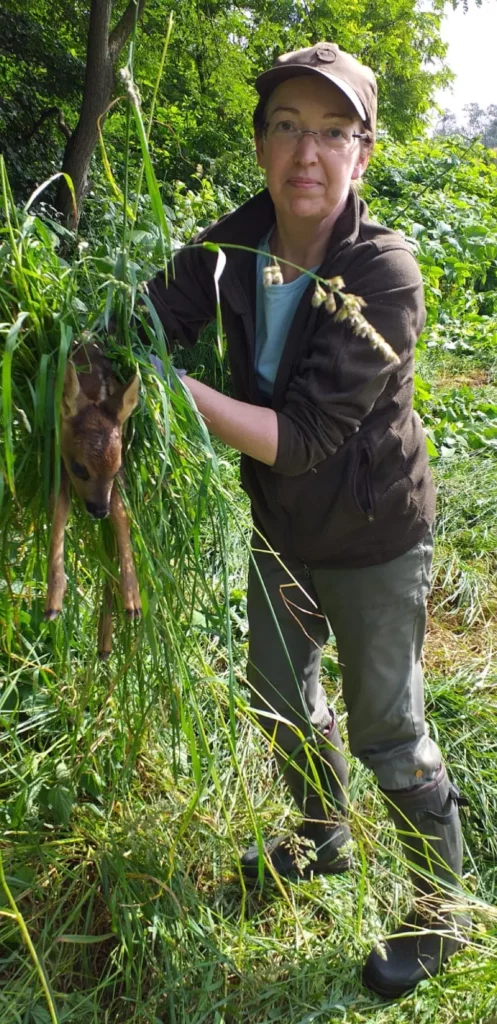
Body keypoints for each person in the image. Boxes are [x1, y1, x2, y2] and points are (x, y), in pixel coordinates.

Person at [142, 43, 468, 998]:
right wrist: (103, 353)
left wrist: (168, 387)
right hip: (279, 525)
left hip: (371, 536)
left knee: (388, 731)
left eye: (333, 132)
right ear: (260, 144)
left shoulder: (383, 270)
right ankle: (321, 834)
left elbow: (303, 438)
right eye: (287, 126)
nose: (307, 153)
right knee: (278, 693)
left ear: (362, 154)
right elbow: (157, 315)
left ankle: (442, 910)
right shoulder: (236, 239)